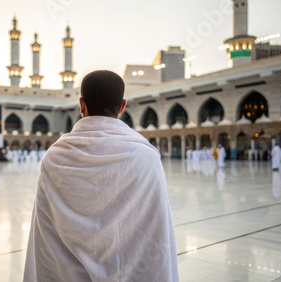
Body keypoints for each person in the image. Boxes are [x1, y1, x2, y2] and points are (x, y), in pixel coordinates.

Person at [24, 70, 179, 282]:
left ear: (81, 105)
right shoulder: (146, 156)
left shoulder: (54, 157)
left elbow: (45, 238)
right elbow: (155, 233)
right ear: (122, 106)